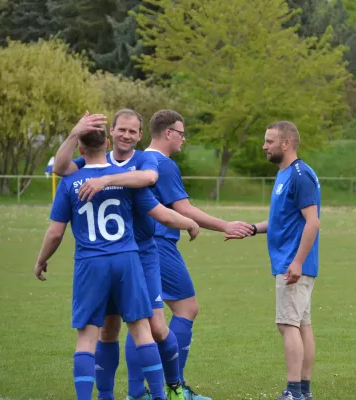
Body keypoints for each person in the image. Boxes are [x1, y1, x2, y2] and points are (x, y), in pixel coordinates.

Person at [74, 109, 254, 400]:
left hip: (125, 248)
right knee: (176, 312)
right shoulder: (161, 164)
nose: (184, 140)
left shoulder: (135, 161)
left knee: (137, 319)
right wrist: (225, 225)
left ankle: (140, 390)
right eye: (182, 134)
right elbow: (181, 210)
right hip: (154, 246)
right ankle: (173, 387)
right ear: (169, 133)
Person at [34, 127, 199, 400]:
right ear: (108, 143)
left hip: (91, 263)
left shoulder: (70, 182)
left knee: (88, 337)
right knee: (141, 330)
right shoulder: (125, 182)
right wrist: (189, 223)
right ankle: (158, 395)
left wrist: (41, 260)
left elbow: (55, 233)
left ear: (80, 150)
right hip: (127, 262)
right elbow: (162, 214)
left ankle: (98, 396)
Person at [225, 121, 321, 400]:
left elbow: (312, 223)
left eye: (269, 141)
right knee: (301, 324)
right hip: (289, 262)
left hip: (293, 264)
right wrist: (254, 228)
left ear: (286, 143)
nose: (264, 146)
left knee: (287, 325)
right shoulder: (285, 174)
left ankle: (293, 391)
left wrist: (298, 262)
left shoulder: (300, 175)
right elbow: (283, 220)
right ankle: (303, 391)